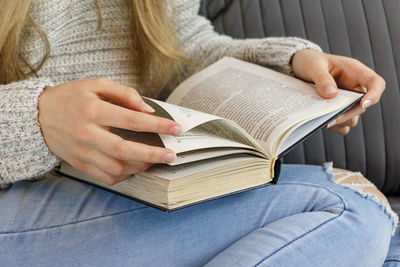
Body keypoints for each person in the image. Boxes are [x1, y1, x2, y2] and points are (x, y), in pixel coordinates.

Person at [0, 0, 397, 266]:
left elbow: (181, 45)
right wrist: (35, 118)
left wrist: (289, 66)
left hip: (121, 187)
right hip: (16, 196)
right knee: (352, 209)